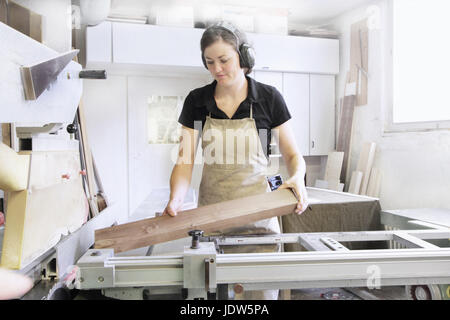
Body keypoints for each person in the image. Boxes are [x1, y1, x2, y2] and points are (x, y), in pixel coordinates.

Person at [163, 21, 308, 299]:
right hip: (211, 225)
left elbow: (292, 154)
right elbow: (184, 160)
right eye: (209, 62)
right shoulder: (197, 101)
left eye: (224, 60)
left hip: (259, 226)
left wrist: (297, 177)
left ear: (244, 57)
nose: (217, 69)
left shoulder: (268, 98)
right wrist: (176, 199)